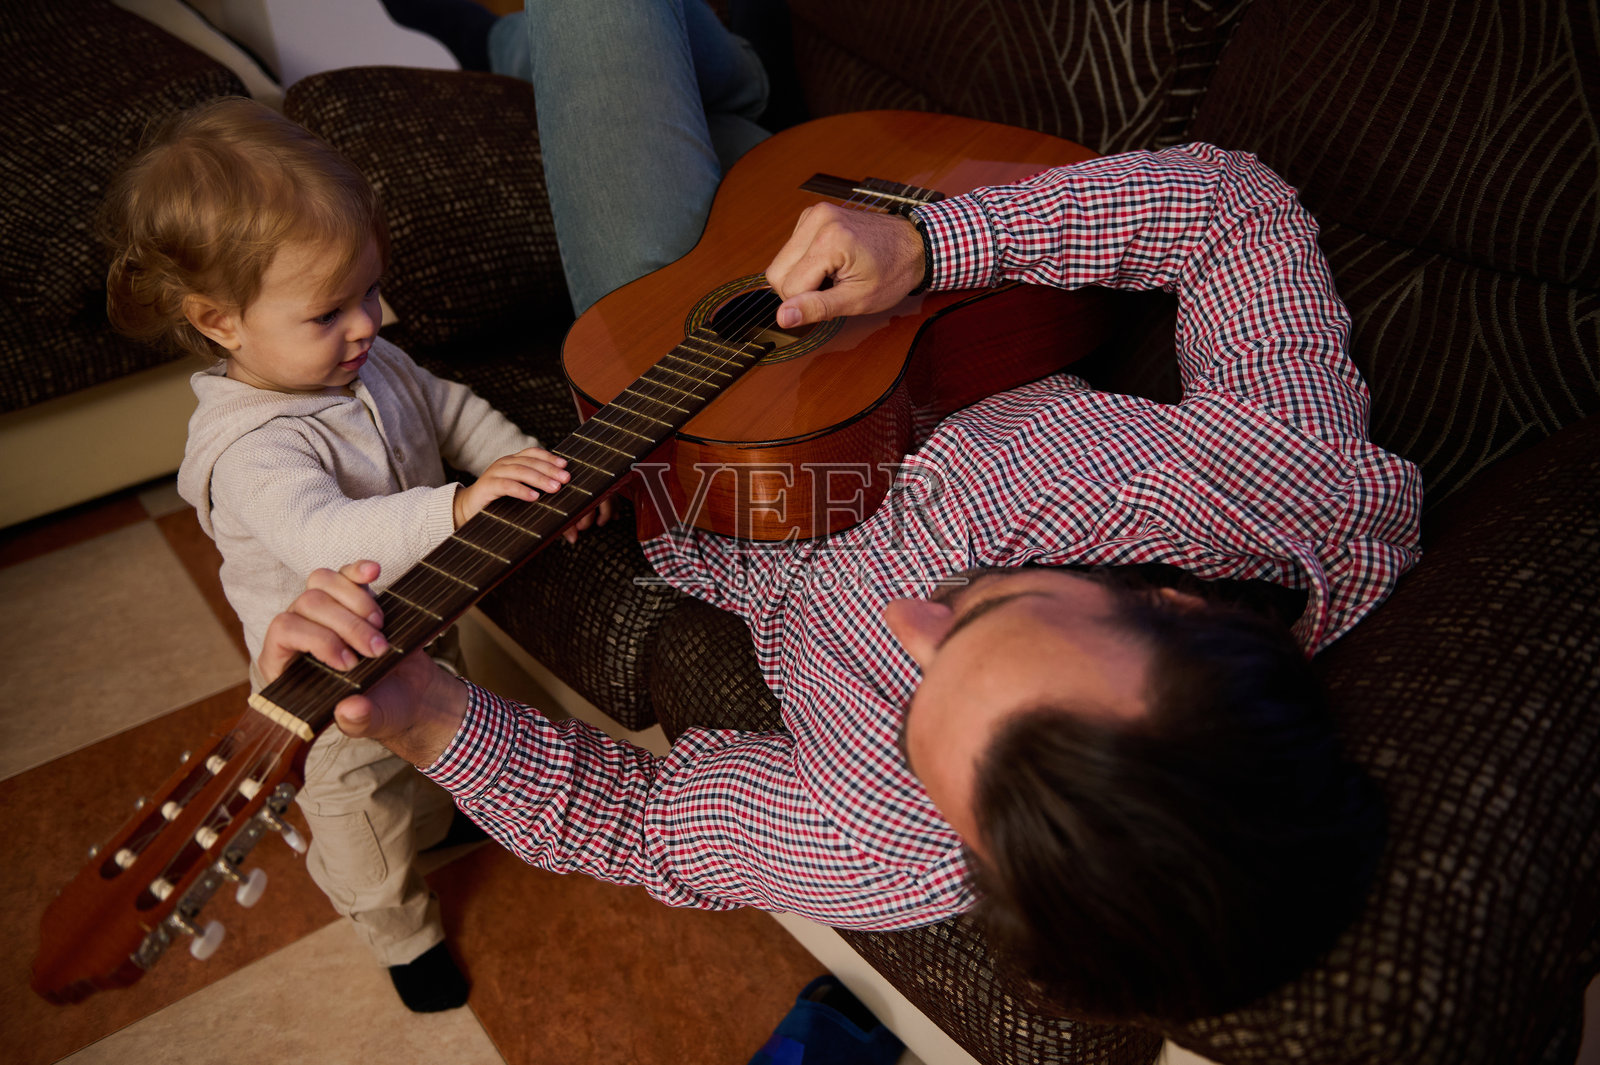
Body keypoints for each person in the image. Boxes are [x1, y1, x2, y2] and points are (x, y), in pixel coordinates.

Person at [258, 114, 1424, 1026]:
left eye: (916, 717)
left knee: (599, 19)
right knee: (729, 128)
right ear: (1171, 607)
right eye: (993, 606)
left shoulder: (880, 837)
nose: (907, 618)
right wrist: (929, 243)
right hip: (892, 300)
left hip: (711, 440)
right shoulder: (1289, 481)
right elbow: (1230, 208)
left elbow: (645, 823)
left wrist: (420, 715)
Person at [97, 96, 604, 1012]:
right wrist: (459, 503)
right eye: (330, 310)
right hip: (329, 686)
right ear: (220, 321)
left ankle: (443, 814)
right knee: (362, 820)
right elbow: (326, 536)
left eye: (370, 290)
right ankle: (401, 936)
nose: (371, 322)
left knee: (442, 740)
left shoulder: (361, 358)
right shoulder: (253, 447)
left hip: (422, 621)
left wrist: (508, 464)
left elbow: (445, 406)